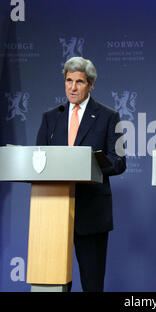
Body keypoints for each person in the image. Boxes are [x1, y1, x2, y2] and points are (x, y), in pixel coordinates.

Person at [36, 56, 126, 291]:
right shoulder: (51, 117)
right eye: (68, 81)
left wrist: (88, 165)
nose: (72, 88)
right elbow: (38, 159)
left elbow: (119, 162)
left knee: (92, 283)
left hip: (91, 212)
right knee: (51, 281)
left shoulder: (108, 116)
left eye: (79, 82)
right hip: (52, 211)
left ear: (91, 85)